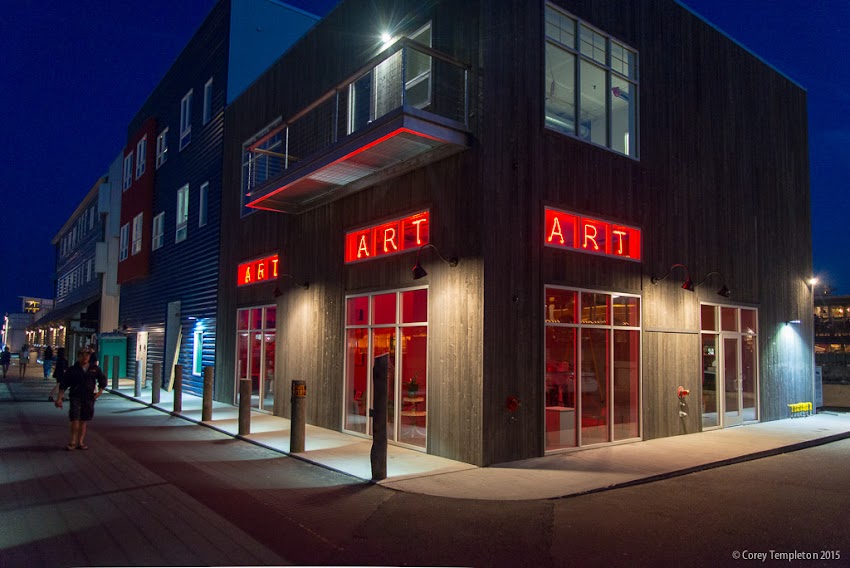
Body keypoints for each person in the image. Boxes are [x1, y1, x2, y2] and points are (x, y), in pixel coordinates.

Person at [54, 347, 107, 450]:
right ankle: (72, 441)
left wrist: (99, 392)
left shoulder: (94, 369)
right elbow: (63, 385)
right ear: (78, 356)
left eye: (87, 355)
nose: (85, 357)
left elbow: (102, 380)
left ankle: (80, 442)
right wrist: (59, 398)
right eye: (82, 355)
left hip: (88, 397)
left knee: (84, 420)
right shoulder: (73, 370)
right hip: (76, 396)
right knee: (75, 419)